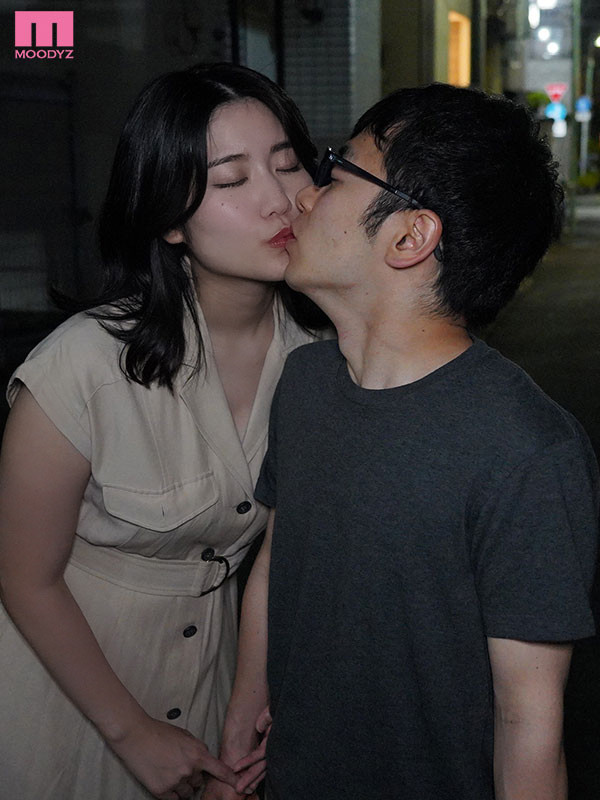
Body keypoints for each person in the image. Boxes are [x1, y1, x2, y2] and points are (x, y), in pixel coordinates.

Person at [208, 83, 599, 800]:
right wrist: (242, 712)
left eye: (335, 174)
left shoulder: (527, 451)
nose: (303, 196)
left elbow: (528, 725)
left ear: (410, 237)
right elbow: (276, 561)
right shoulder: (306, 382)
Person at [0, 62, 329, 800]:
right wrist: (131, 731)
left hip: (210, 687)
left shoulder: (320, 362)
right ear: (170, 220)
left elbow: (280, 562)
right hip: (61, 699)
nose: (280, 199)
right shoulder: (83, 365)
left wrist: (246, 710)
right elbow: (24, 574)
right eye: (231, 179)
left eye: (287, 164)